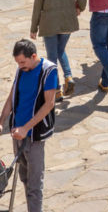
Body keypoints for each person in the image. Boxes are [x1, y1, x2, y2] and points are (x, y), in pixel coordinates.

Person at [0, 38, 58, 212]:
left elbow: (49, 104)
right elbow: (11, 97)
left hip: (34, 135)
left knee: (34, 183)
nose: (20, 66)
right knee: (24, 176)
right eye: (18, 62)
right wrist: (1, 121)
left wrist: (26, 128)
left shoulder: (49, 71)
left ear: (33, 56)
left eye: (23, 62)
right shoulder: (21, 70)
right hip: (17, 132)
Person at [29, 0, 86, 99]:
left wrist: (33, 28)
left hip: (49, 25)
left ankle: (57, 90)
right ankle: (68, 77)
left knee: (52, 57)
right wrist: (79, 8)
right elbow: (83, 0)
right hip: (67, 22)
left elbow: (37, 7)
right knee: (60, 50)